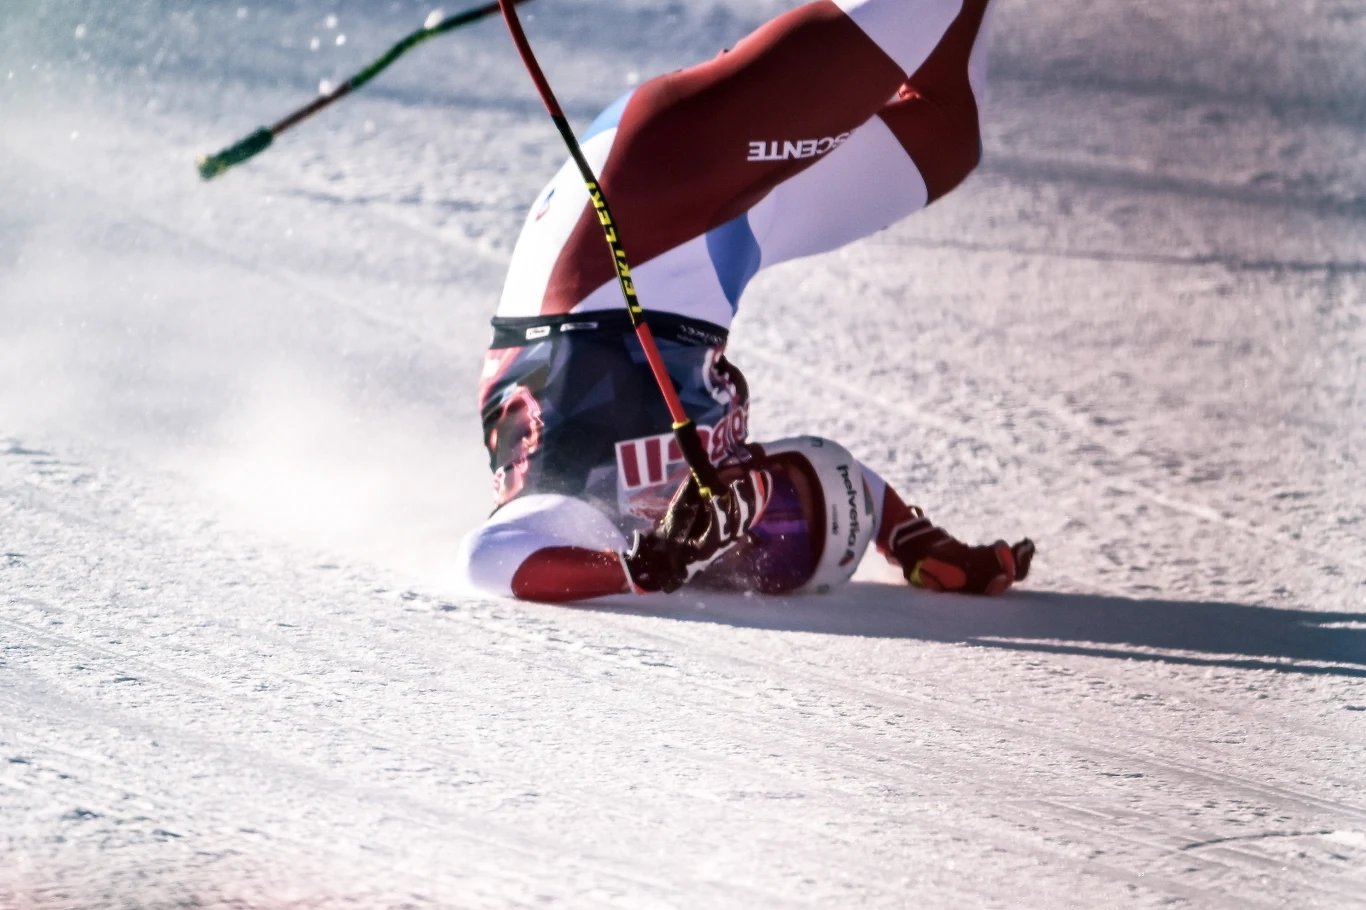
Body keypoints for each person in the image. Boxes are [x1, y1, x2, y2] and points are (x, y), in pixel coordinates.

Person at [457, 0, 1033, 602]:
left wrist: (637, 569)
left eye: (783, 537)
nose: (759, 541)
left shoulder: (587, 516)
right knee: (945, 134)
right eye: (786, 553)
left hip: (632, 209)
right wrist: (914, 539)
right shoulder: (728, 466)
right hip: (731, 241)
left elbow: (490, 560)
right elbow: (845, 483)